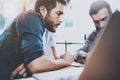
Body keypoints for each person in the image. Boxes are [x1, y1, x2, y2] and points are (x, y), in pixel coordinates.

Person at [0, 0, 73, 79]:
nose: (61, 20)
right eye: (58, 14)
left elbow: (36, 61)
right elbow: (36, 64)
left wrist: (30, 63)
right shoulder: (31, 17)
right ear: (43, 11)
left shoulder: (36, 23)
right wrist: (65, 61)